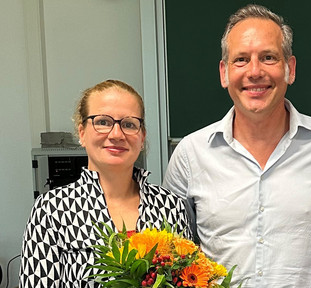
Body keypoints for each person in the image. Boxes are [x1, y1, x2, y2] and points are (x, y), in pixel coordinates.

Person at [163, 4, 311, 287]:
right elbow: (176, 260)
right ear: (224, 73)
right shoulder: (190, 154)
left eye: (268, 57)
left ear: (289, 68)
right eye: (241, 60)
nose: (254, 72)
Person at [19, 80, 191, 288]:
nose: (116, 134)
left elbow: (187, 278)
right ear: (82, 132)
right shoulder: (52, 209)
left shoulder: (170, 206)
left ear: (142, 136)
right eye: (102, 122)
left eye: (129, 124)